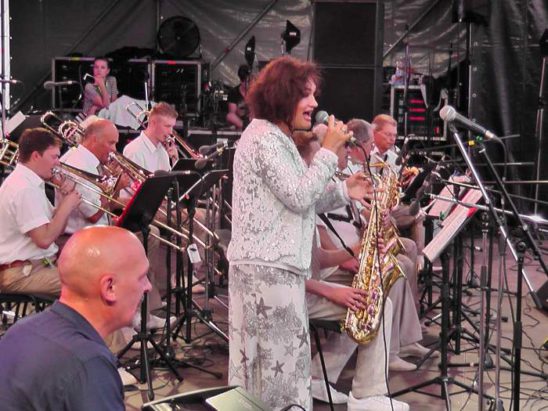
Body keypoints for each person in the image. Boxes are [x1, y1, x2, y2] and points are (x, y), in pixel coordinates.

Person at [227, 55, 371, 411]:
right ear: (283, 95)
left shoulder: (276, 138)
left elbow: (300, 198)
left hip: (275, 270)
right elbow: (298, 196)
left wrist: (344, 190)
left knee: (277, 370)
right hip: (266, 272)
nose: (315, 103)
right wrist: (328, 152)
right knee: (278, 374)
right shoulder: (264, 139)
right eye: (306, 94)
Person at [296, 135, 409, 410]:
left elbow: (318, 258)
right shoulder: (299, 201)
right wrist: (333, 291)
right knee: (372, 306)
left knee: (369, 306)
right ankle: (366, 395)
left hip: (310, 287)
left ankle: (319, 376)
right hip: (298, 294)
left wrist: (356, 250)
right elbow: (288, 275)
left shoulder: (309, 200)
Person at [0, 226, 152, 410]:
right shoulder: (88, 364)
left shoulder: (20, 330)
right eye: (142, 277)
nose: (148, 286)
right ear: (109, 287)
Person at [0, 128, 81, 297]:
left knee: (94, 271)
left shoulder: (31, 182)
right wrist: (66, 206)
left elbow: (56, 230)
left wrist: (63, 198)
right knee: (86, 285)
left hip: (36, 266)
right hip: (23, 274)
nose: (58, 163)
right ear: (36, 156)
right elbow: (44, 239)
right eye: (54, 157)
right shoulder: (23, 188)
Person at [226, 64, 252, 130]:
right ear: (241, 81)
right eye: (247, 82)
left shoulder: (255, 91)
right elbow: (232, 113)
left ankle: (249, 129)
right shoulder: (233, 92)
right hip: (240, 121)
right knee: (230, 116)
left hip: (252, 120)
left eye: (250, 81)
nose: (249, 84)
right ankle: (246, 128)